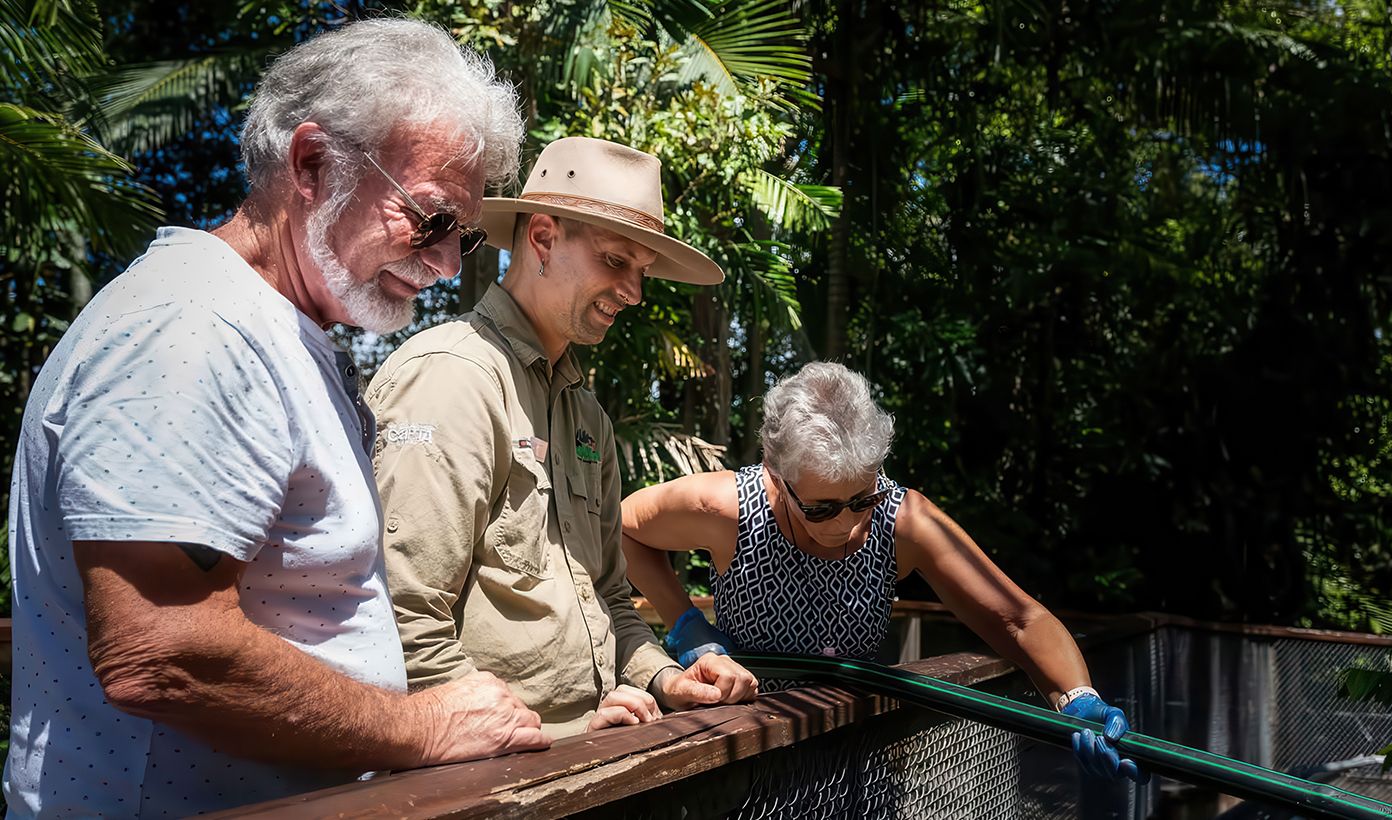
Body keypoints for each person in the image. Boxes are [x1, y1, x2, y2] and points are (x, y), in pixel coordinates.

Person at [3, 20, 551, 819]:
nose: (442, 265)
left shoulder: (273, 328)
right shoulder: (192, 327)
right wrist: (415, 727)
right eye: (430, 220)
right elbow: (159, 648)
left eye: (460, 239)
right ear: (311, 163)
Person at [367, 136, 759, 738]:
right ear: (544, 238)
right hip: (483, 782)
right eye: (615, 261)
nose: (634, 292)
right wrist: (553, 737)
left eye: (642, 271)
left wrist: (664, 676)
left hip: (581, 763)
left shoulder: (586, 417)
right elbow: (404, 620)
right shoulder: (453, 378)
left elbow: (607, 601)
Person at [622, 361, 1145, 782]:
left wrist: (1078, 697)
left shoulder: (903, 521)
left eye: (861, 499)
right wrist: (685, 623)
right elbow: (618, 529)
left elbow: (1019, 619)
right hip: (737, 756)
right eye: (823, 508)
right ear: (776, 475)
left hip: (852, 757)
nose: (848, 524)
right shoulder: (727, 507)